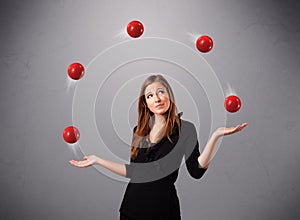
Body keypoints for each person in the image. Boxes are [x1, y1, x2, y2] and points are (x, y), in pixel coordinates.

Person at [69, 74, 248, 220]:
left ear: (169, 95)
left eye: (161, 92)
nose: (157, 98)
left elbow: (196, 171)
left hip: (163, 211)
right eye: (150, 95)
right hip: (131, 209)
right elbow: (134, 172)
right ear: (145, 103)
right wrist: (98, 160)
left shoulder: (185, 129)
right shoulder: (138, 131)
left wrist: (215, 136)